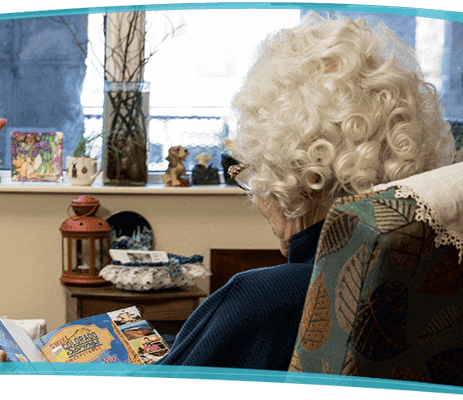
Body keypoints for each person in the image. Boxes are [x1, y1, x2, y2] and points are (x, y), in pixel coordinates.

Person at [157, 13, 454, 370]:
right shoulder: (427, 287)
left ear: (303, 174)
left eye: (253, 172)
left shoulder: (260, 301)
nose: (258, 199)